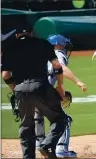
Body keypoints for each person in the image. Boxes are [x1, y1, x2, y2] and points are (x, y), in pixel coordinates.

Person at [1, 24, 69, 159]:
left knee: (26, 128)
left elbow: (5, 75)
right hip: (41, 87)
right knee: (60, 119)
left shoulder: (9, 49)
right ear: (31, 32)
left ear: (16, 35)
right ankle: (47, 144)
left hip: (20, 89)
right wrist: (60, 85)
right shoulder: (43, 44)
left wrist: (16, 90)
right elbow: (56, 65)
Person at [35, 34, 87, 158]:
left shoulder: (39, 54)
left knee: (38, 116)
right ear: (58, 45)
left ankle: (39, 144)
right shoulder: (57, 54)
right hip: (45, 92)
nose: (65, 48)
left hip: (31, 91)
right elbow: (61, 67)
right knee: (64, 120)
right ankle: (61, 149)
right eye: (64, 45)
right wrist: (78, 81)